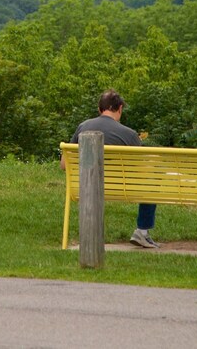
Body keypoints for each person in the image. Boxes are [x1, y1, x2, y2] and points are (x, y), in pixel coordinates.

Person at [65, 89, 160, 249]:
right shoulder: (129, 134)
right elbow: (141, 170)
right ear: (120, 108)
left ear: (99, 108)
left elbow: (63, 164)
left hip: (85, 187)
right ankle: (142, 232)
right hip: (120, 188)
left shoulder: (83, 127)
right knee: (151, 183)